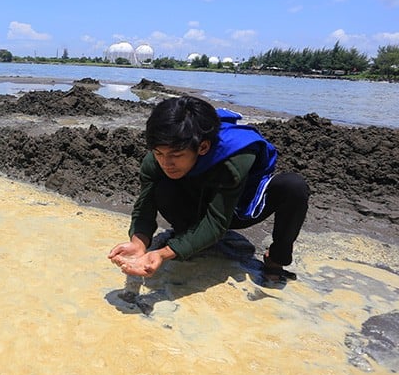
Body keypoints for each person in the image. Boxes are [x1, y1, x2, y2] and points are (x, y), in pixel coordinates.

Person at [108, 95, 309, 285]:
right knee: (160, 185)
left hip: (233, 209)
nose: (166, 162)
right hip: (190, 206)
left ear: (203, 147)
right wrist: (139, 244)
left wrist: (163, 253)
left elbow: (217, 222)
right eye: (159, 153)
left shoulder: (235, 156)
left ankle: (275, 260)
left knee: (294, 187)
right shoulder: (156, 159)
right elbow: (145, 207)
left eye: (176, 155)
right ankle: (187, 235)